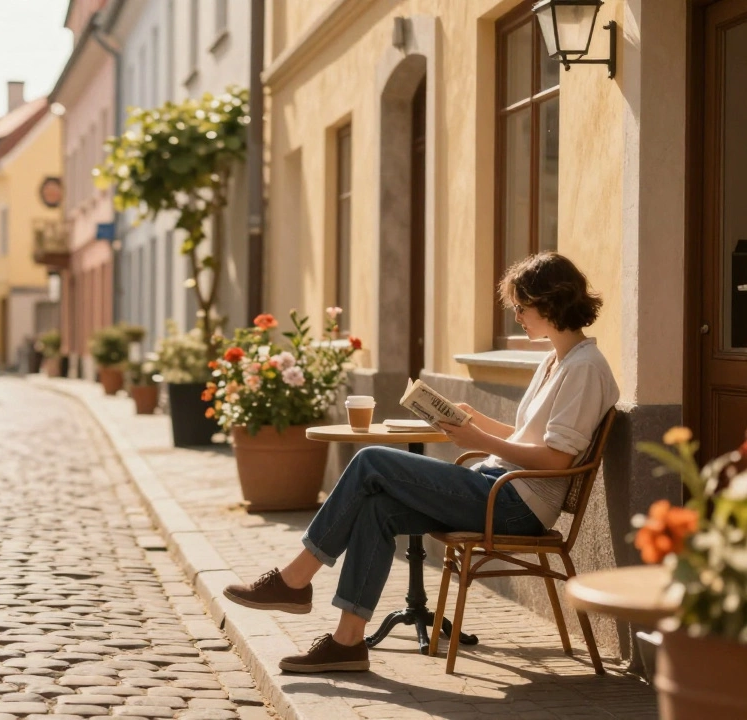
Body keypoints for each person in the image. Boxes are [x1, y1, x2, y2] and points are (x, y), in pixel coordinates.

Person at [222, 252, 619, 674]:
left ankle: (296, 580)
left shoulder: (585, 369)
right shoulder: (554, 361)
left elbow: (556, 461)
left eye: (522, 307)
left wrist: (476, 438)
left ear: (551, 302)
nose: (517, 316)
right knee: (375, 508)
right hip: (496, 486)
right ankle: (347, 643)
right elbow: (530, 439)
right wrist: (473, 419)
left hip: (514, 504)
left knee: (371, 461)